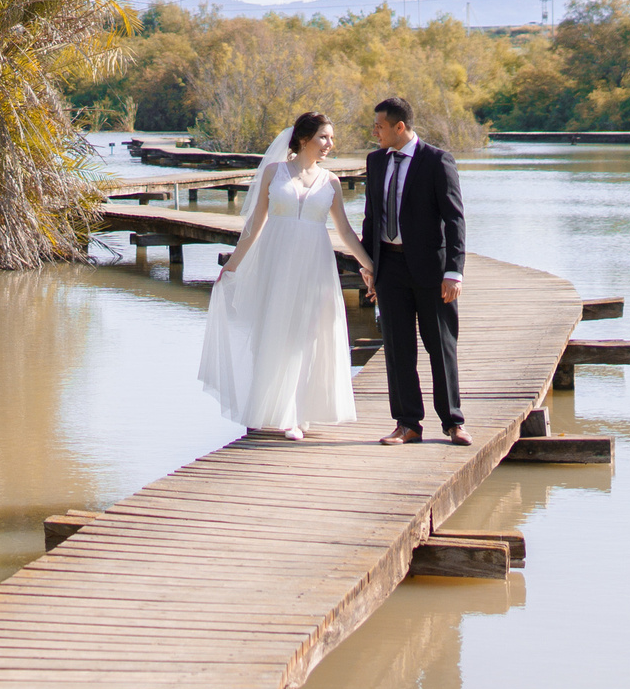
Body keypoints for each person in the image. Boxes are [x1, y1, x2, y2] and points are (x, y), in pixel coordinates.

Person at [200, 112, 378, 440]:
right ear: (303, 138)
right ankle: (263, 409)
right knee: (270, 331)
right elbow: (254, 225)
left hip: (315, 267)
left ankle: (297, 414)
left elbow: (346, 232)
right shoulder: (274, 172)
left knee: (307, 336)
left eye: (331, 138)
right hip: (276, 262)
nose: (330, 144)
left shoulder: (331, 182)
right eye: (324, 137)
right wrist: (232, 266)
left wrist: (371, 267)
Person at [363, 95, 468, 445]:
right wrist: (369, 266)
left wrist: (454, 271)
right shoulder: (375, 161)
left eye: (379, 126)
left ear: (400, 127)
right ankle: (407, 424)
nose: (374, 132)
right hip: (389, 267)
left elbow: (455, 219)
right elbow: (371, 218)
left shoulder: (437, 161)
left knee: (441, 346)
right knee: (398, 348)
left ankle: (453, 422)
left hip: (432, 270)